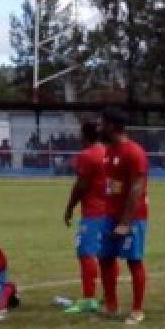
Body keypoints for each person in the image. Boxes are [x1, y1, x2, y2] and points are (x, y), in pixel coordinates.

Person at [99, 108, 150, 325]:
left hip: (132, 218)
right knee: (105, 258)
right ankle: (111, 306)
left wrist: (125, 222)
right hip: (109, 215)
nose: (99, 127)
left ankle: (137, 310)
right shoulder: (109, 151)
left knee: (134, 261)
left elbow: (137, 190)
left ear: (112, 125)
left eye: (102, 123)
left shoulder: (134, 152)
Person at [61, 120, 108, 314]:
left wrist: (70, 207)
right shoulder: (106, 151)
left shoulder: (87, 156)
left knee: (86, 253)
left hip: (93, 213)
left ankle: (88, 299)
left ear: (85, 135)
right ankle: (109, 294)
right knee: (106, 255)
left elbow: (81, 185)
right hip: (109, 211)